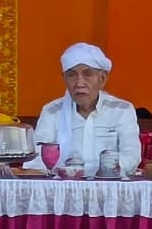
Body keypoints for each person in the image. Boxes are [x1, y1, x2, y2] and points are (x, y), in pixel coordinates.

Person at [32, 42, 141, 175]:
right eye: (72, 75)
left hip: (108, 182)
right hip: (64, 183)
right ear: (64, 79)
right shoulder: (51, 112)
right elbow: (37, 159)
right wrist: (64, 173)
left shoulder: (122, 110)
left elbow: (131, 157)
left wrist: (105, 172)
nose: (79, 83)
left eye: (87, 74)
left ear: (103, 79)